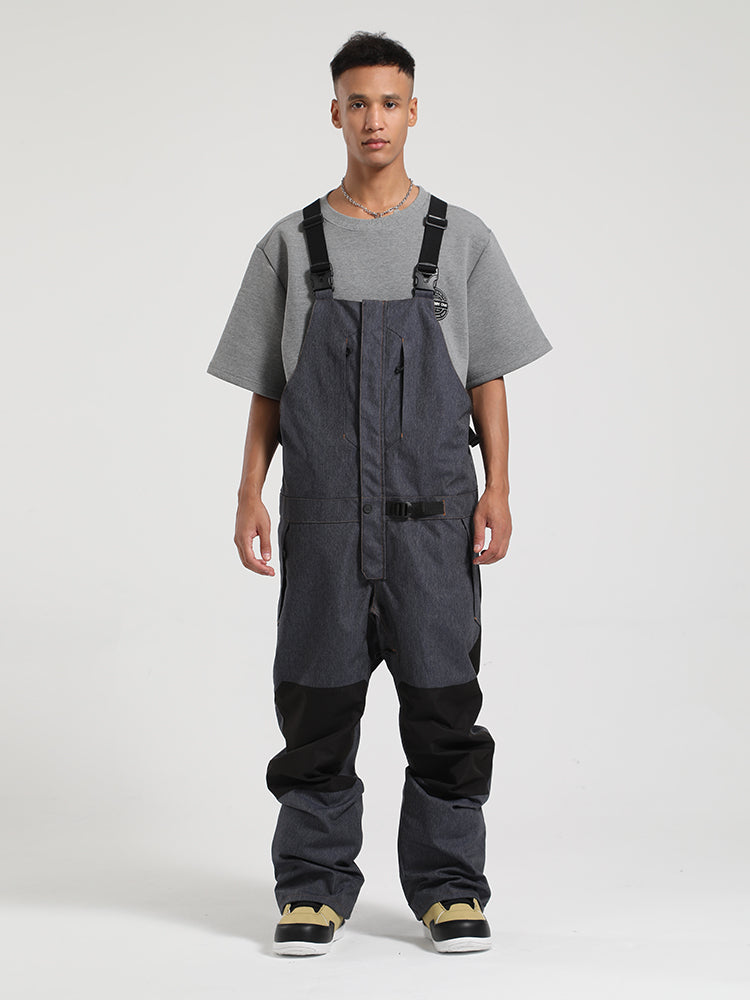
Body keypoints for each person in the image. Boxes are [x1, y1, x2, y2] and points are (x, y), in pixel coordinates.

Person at [206, 30, 552, 957]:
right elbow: (268, 385)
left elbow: (486, 376)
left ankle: (450, 888)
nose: (374, 119)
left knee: (444, 708)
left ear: (413, 112)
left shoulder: (461, 238)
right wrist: (248, 491)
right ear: (335, 112)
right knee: (316, 710)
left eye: (390, 103)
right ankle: (311, 890)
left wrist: (500, 488)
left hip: (434, 524)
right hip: (322, 524)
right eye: (357, 102)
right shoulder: (291, 244)